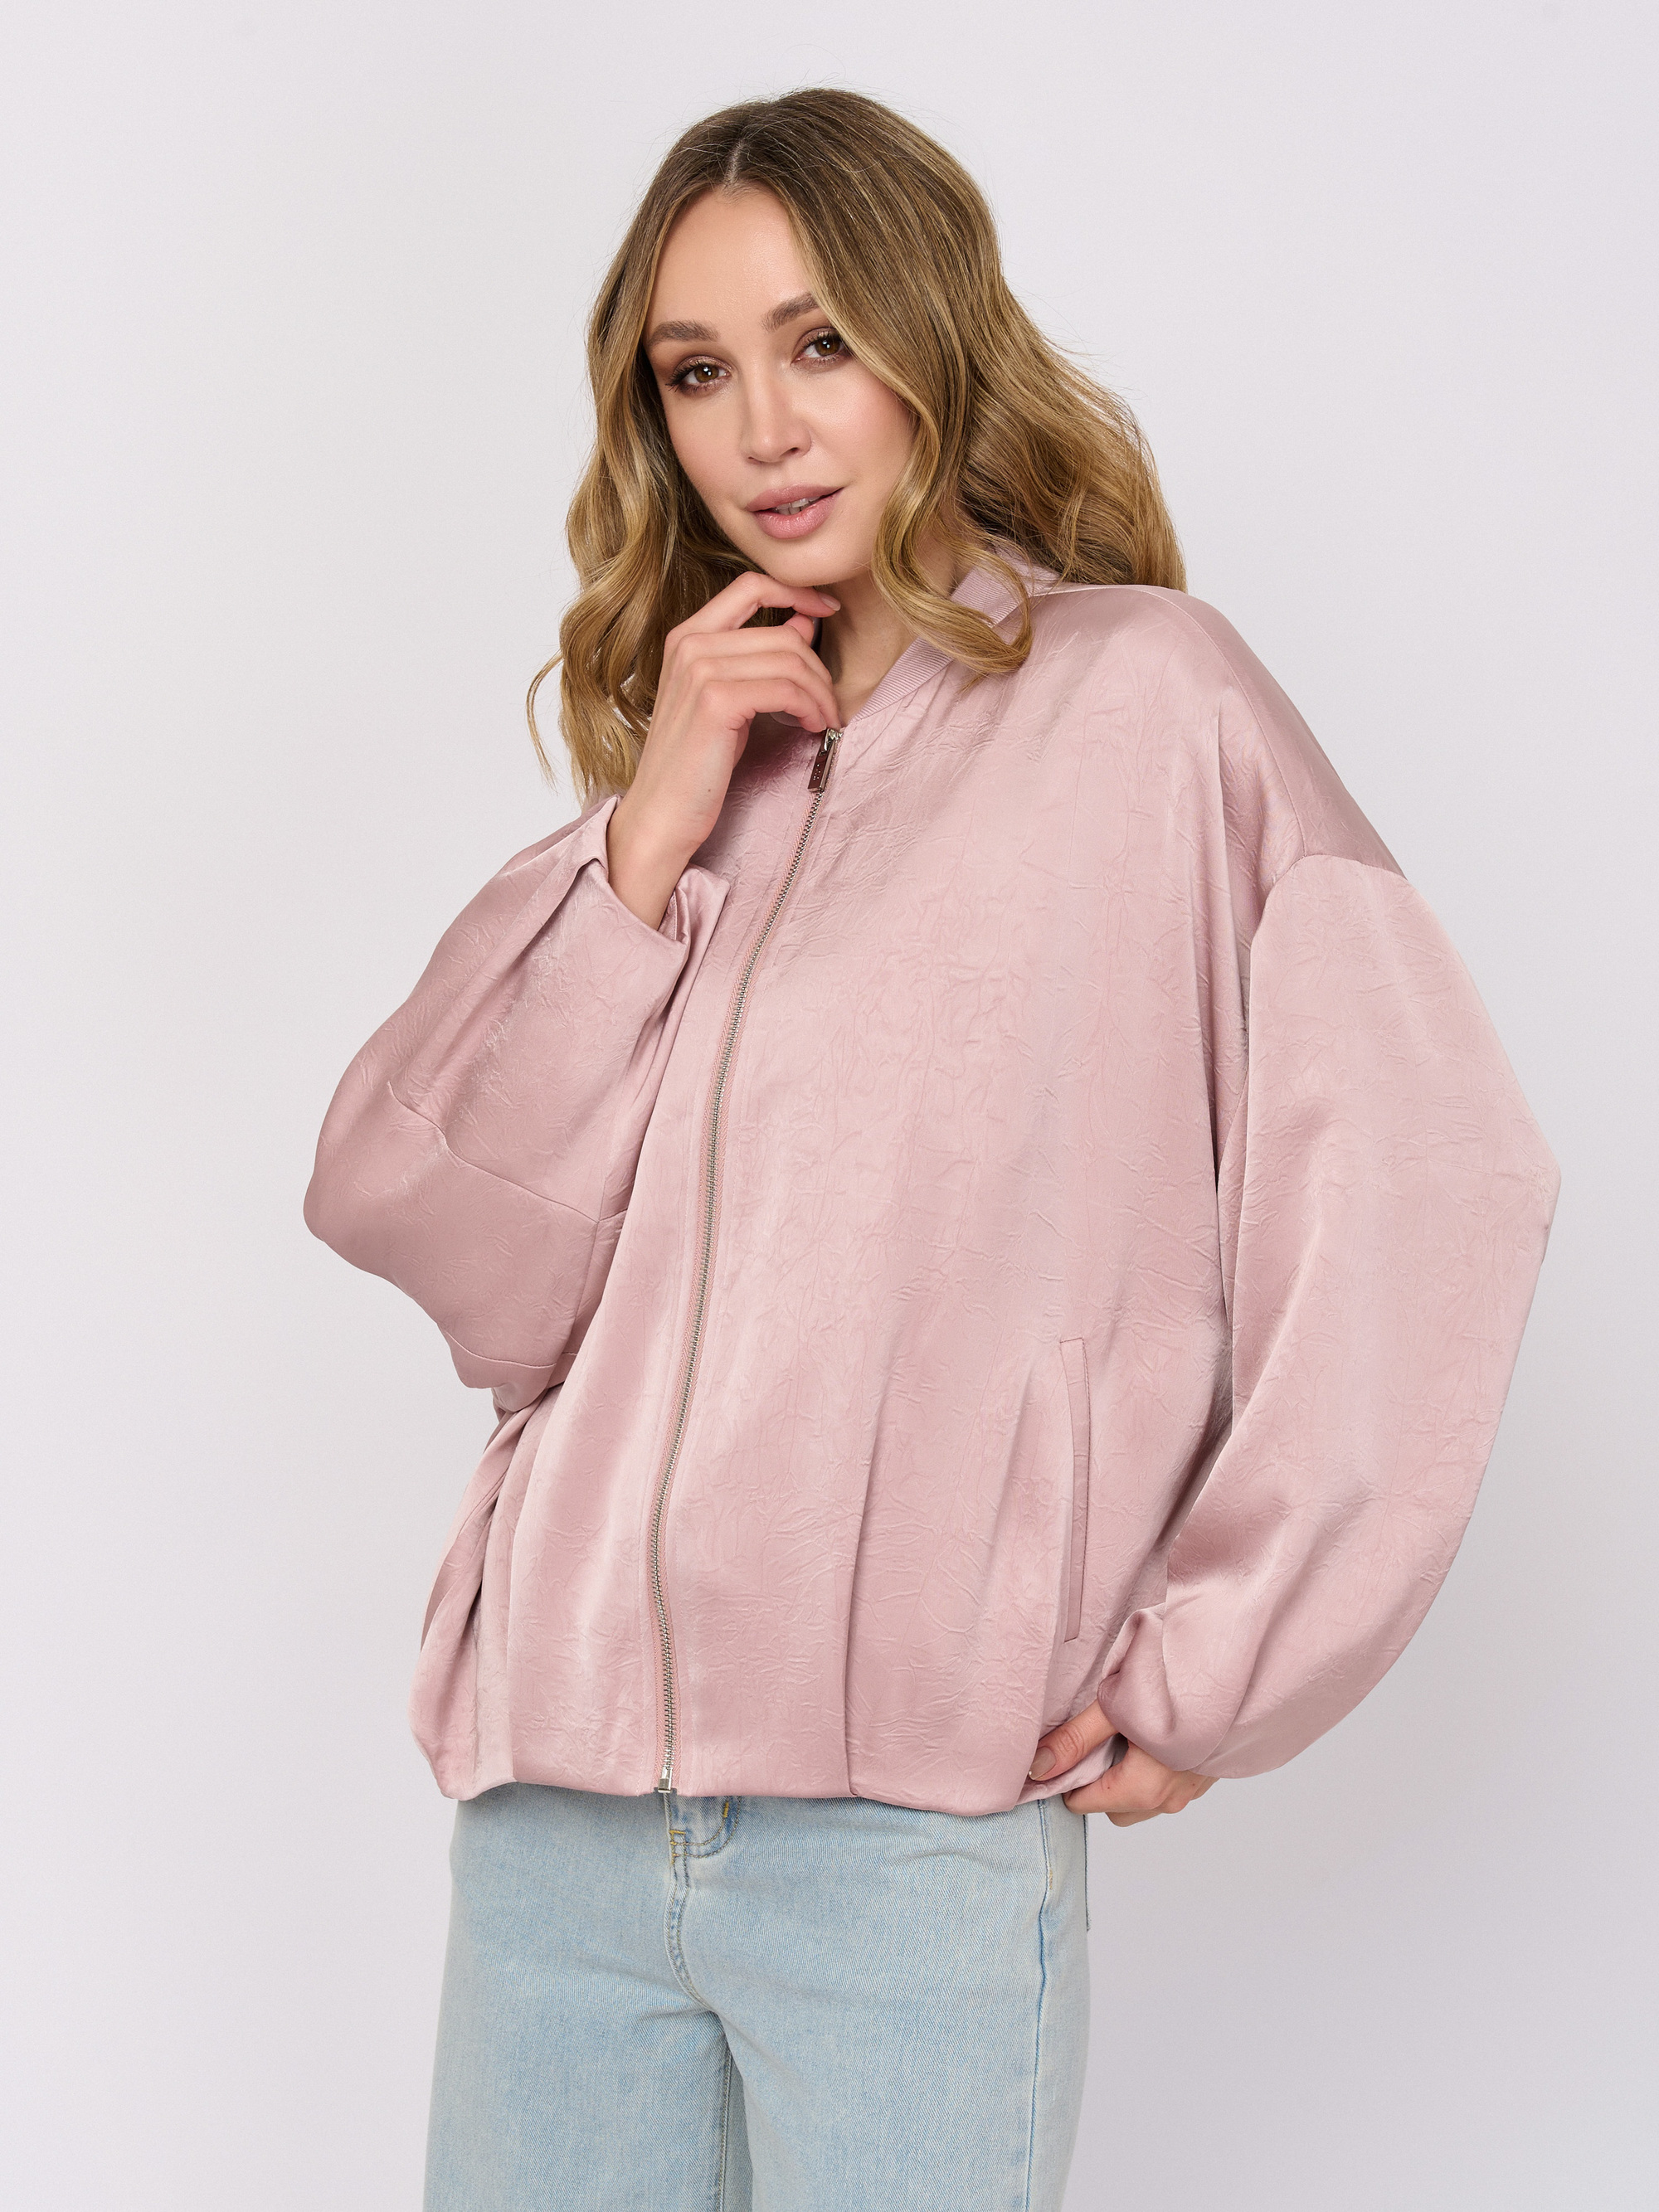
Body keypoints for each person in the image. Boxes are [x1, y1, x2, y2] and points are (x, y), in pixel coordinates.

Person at [303, 86, 1560, 2212]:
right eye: (696, 372)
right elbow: (432, 1229)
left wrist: (1224, 1648)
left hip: (907, 1840)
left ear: (931, 340)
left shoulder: (1147, 703)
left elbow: (1430, 1173)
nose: (764, 429)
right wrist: (642, 837)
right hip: (561, 1830)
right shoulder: (696, 780)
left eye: (819, 343)